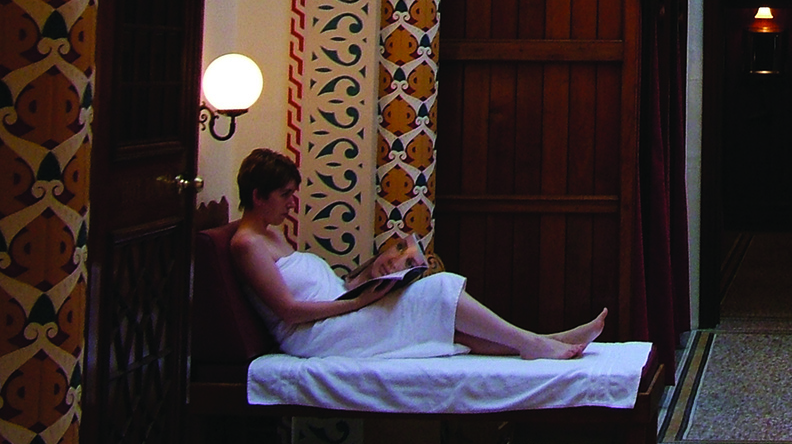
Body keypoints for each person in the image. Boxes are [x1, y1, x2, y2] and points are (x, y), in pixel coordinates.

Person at [229, 148, 605, 361]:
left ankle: (545, 340)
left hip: (338, 312)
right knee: (438, 291)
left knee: (440, 319)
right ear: (258, 196)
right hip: (317, 336)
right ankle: (534, 344)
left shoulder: (272, 235)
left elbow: (325, 287)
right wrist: (360, 301)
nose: (293, 204)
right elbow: (290, 311)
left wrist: (370, 274)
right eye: (285, 195)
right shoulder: (247, 245)